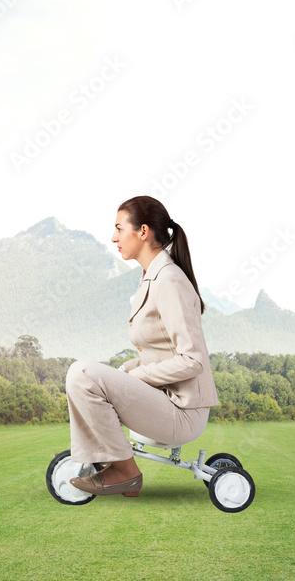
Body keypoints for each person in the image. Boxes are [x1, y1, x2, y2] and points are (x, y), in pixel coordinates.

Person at [66, 196, 219, 498]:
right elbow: (158, 353)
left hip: (181, 411)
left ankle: (125, 471)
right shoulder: (151, 277)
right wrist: (125, 372)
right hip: (165, 400)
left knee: (81, 373)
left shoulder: (169, 280)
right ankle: (113, 464)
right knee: (87, 375)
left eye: (119, 229)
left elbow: (193, 359)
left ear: (143, 231)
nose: (114, 237)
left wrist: (134, 378)